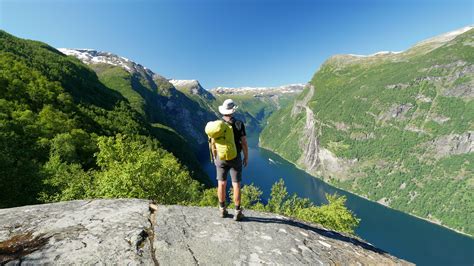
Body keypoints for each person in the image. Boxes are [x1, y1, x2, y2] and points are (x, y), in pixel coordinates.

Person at [211, 99, 248, 221]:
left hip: (220, 157)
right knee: (236, 184)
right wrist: (246, 157)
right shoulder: (239, 124)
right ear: (233, 111)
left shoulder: (218, 125)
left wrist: (214, 156)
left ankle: (222, 209)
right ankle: (237, 211)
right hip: (235, 157)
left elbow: (212, 142)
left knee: (221, 183)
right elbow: (244, 142)